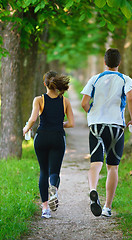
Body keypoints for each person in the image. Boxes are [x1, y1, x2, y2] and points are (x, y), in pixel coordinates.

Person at [81, 48, 132, 217]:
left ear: (105, 63)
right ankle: (107, 207)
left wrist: (92, 111)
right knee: (113, 167)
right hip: (116, 126)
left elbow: (84, 103)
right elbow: (131, 99)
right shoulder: (125, 79)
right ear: (119, 63)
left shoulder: (95, 78)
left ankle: (93, 190)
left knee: (95, 163)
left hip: (96, 125)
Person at [23, 70, 74, 218]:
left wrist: (26, 128)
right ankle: (54, 190)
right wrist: (59, 124)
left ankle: (45, 209)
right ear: (56, 83)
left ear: (44, 84)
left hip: (42, 137)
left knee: (43, 171)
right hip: (58, 137)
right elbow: (71, 123)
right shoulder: (65, 101)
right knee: (54, 172)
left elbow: (33, 119)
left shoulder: (39, 100)